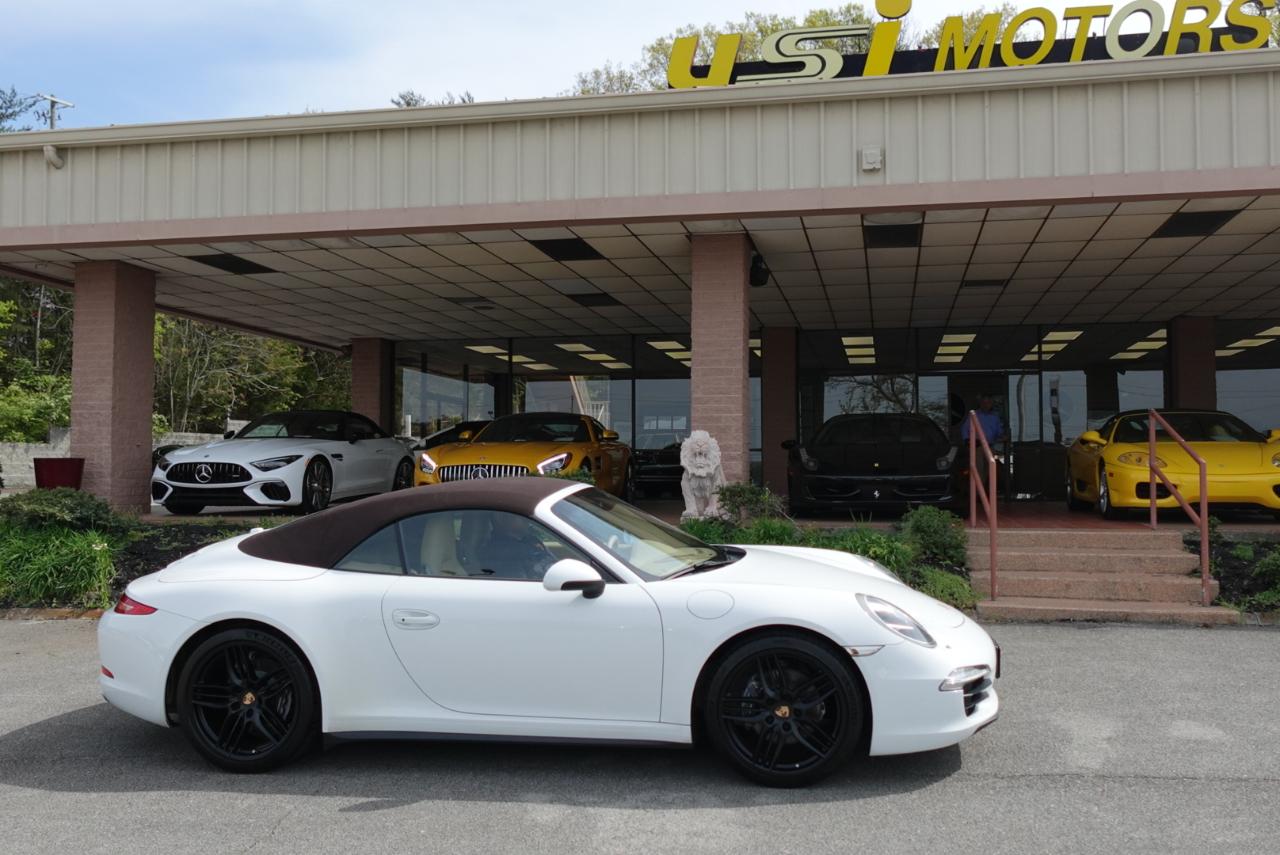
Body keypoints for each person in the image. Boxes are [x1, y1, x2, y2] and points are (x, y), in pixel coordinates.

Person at [471, 512, 554, 580]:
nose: (526, 520)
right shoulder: (500, 550)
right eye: (519, 516)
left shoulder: (529, 539)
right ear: (501, 518)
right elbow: (521, 582)